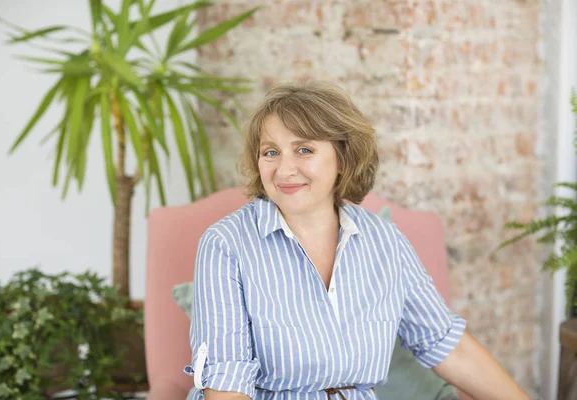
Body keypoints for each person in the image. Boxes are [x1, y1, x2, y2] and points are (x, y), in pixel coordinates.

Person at [184, 82, 530, 400]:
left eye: (303, 150)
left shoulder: (384, 241)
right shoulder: (225, 244)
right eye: (271, 152)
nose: (284, 169)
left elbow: (443, 343)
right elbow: (226, 382)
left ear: (342, 159)